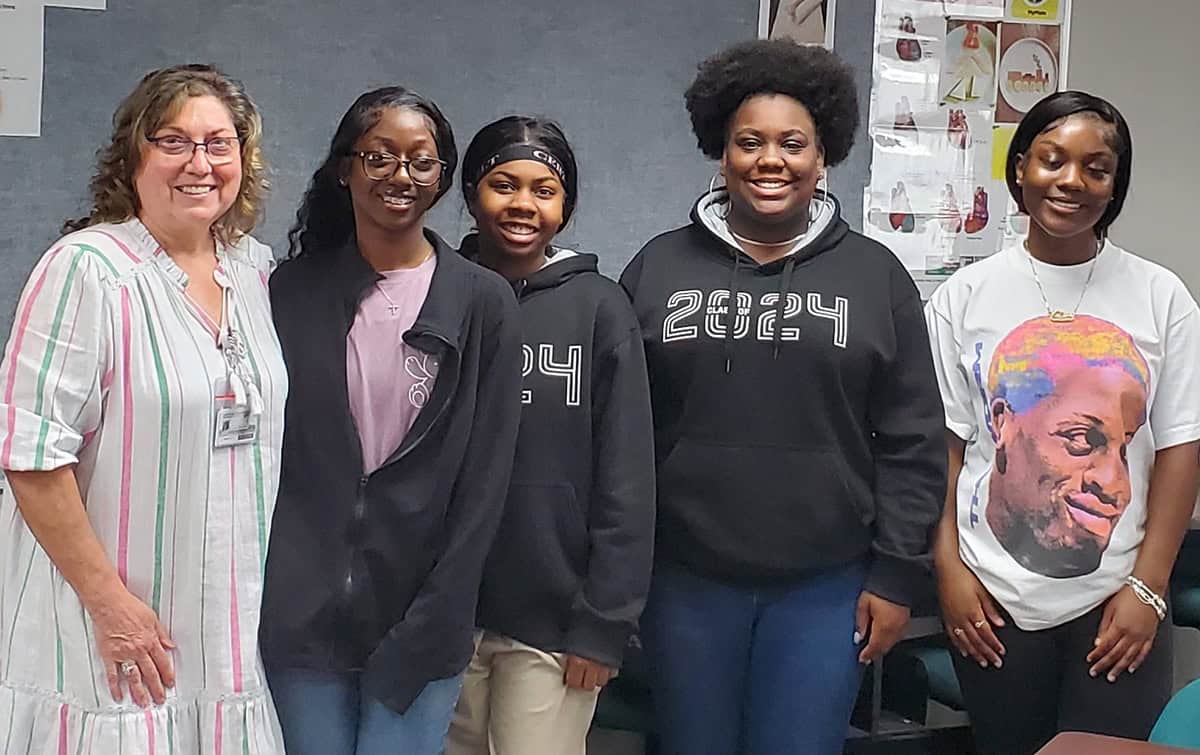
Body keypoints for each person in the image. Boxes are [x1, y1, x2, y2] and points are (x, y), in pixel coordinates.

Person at [619, 39, 947, 755]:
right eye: (750, 142)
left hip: (827, 591)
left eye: (792, 143)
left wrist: (896, 577)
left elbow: (915, 440)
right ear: (721, 153)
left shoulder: (876, 276)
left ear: (822, 155)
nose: (771, 160)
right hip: (684, 584)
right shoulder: (656, 268)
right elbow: (617, 438)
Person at [0, 64, 285, 753]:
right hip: (109, 628)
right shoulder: (86, 269)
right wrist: (111, 604)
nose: (200, 163)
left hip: (222, 632)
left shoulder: (253, 269)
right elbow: (31, 455)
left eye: (219, 144)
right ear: (133, 155)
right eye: (174, 141)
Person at [926, 90, 1200, 754]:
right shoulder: (964, 296)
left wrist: (1148, 587)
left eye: (1097, 168)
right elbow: (946, 450)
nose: (1072, 181)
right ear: (1020, 168)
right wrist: (950, 572)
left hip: (1118, 602)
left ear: (1115, 185)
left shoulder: (1161, 296)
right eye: (1053, 160)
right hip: (993, 599)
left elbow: (1181, 448)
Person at [259, 87, 523, 755]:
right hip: (301, 624)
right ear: (345, 167)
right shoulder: (289, 293)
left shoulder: (481, 300)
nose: (400, 175)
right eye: (379, 156)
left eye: (421, 161)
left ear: (441, 179)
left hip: (421, 622)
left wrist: (439, 616)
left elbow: (487, 479)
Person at [444, 116, 655, 755]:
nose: (522, 205)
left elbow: (627, 475)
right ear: (473, 191)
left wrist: (604, 626)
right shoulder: (436, 293)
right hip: (443, 616)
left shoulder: (599, 307)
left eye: (544, 189)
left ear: (565, 206)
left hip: (556, 625)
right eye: (503, 184)